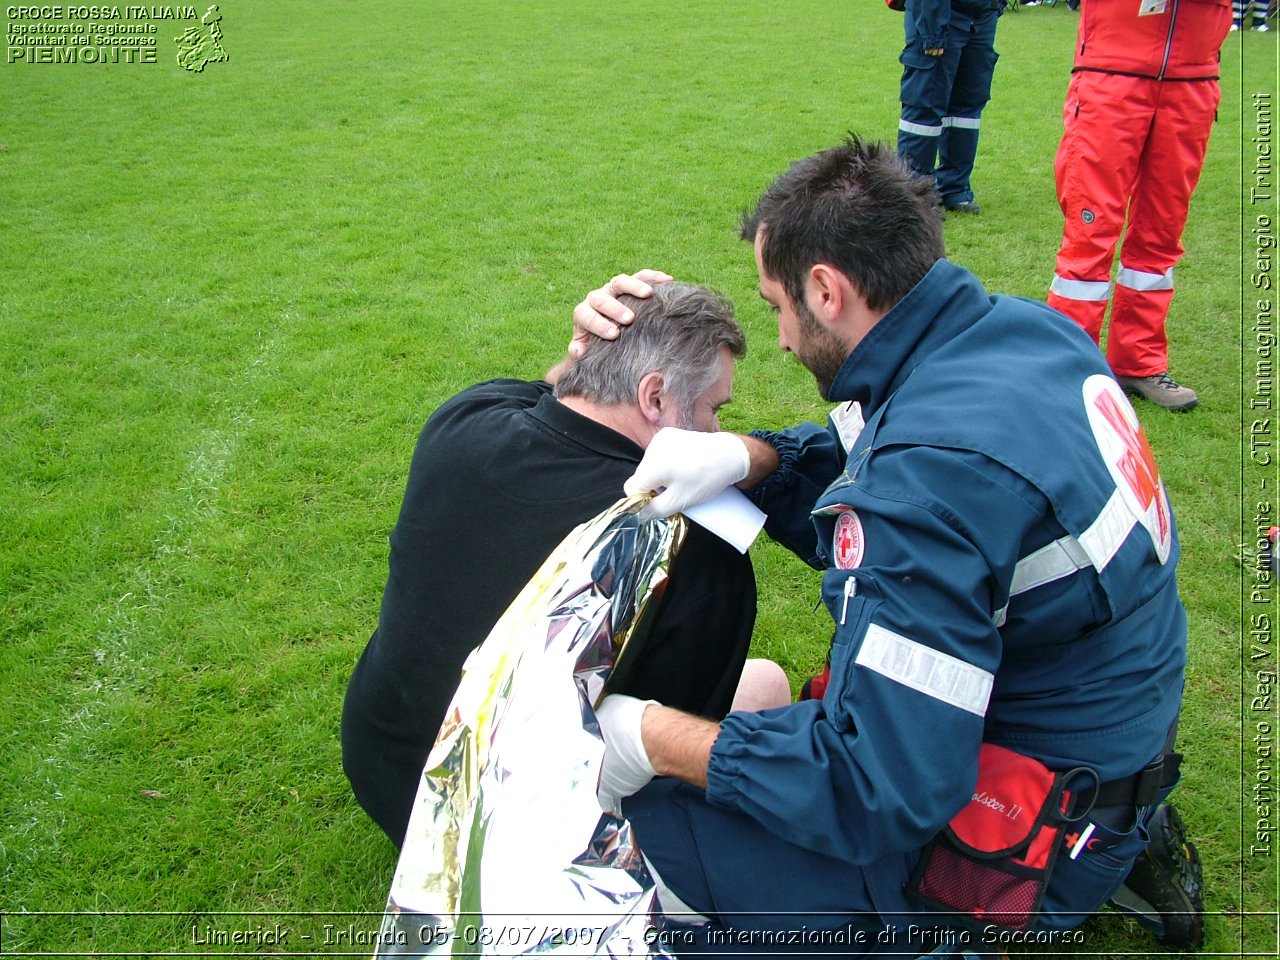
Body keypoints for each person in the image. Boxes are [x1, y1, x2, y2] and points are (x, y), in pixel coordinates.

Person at [576, 137, 1203, 953]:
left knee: (647, 835)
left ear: (827, 291)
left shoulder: (929, 490)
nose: (781, 340)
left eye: (777, 306)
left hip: (1024, 827)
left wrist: (647, 735)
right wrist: (753, 458)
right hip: (1110, 731)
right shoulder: (1021, 336)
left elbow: (873, 785)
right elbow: (872, 445)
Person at [342, 282, 789, 849]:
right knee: (766, 684)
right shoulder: (695, 548)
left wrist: (585, 352)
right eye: (713, 410)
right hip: (508, 840)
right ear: (655, 399)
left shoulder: (465, 417)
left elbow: (558, 395)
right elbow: (665, 754)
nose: (718, 433)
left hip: (387, 776)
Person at [1046, 0, 1232, 412]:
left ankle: (1138, 362)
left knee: (1161, 232)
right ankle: (1068, 364)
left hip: (1192, 79)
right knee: (1089, 233)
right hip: (1112, 74)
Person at [896, 0, 1005, 215]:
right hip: (939, 15)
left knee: (967, 109)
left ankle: (955, 189)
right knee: (924, 106)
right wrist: (932, 30)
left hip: (982, 16)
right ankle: (915, 196)